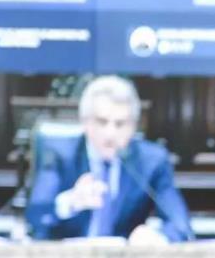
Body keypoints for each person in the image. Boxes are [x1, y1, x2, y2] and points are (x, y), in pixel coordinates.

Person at [25, 75, 192, 242]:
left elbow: (181, 226)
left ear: (134, 126)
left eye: (120, 124)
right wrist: (70, 202)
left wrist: (158, 237)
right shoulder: (59, 154)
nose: (110, 134)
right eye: (102, 122)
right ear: (85, 122)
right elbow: (36, 216)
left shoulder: (151, 161)